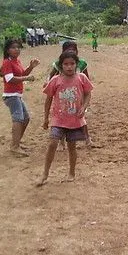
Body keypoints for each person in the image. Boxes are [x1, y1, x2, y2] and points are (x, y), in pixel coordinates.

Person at [37, 51, 93, 186]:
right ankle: (45, 174)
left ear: (76, 64)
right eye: (66, 64)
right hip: (58, 119)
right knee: (52, 144)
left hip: (75, 120)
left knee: (72, 147)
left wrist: (84, 107)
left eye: (72, 64)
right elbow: (48, 99)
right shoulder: (55, 80)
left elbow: (88, 93)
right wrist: (45, 118)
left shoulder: (81, 78)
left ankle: (71, 173)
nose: (69, 67)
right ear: (61, 66)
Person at [46, 41, 93, 148]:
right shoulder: (59, 64)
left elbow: (87, 78)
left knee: (81, 119)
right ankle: (61, 142)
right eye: (68, 51)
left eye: (73, 51)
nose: (69, 66)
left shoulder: (81, 64)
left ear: (77, 52)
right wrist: (48, 82)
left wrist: (85, 86)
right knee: (62, 120)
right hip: (63, 96)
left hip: (77, 97)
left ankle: (87, 138)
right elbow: (51, 74)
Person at [0, 39, 40, 156]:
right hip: (11, 95)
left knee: (25, 118)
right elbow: (10, 79)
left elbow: (22, 74)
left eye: (18, 47)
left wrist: (31, 67)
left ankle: (16, 142)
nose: (16, 49)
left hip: (16, 95)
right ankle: (15, 145)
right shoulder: (7, 62)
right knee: (18, 119)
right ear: (8, 50)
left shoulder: (16, 61)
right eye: (13, 47)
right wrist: (26, 79)